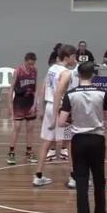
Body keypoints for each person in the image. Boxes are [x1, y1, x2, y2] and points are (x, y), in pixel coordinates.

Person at [58, 61, 107, 213]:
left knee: (81, 183)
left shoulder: (70, 95)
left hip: (79, 141)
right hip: (97, 139)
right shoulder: (102, 93)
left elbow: (61, 122)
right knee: (99, 180)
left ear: (78, 75)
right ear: (93, 75)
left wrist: (73, 119)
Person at [33, 44, 77, 186]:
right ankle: (73, 178)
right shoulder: (66, 73)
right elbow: (58, 92)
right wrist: (55, 115)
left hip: (50, 106)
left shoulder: (52, 68)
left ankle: (38, 176)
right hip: (60, 108)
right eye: (73, 56)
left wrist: (41, 108)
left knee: (46, 142)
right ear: (67, 57)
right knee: (70, 143)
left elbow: (43, 87)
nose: (75, 59)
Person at [7, 52, 38, 165]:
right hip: (19, 102)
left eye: (33, 64)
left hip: (30, 102)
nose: (31, 66)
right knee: (17, 127)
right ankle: (11, 152)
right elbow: (11, 89)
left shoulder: (35, 70)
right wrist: (9, 105)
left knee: (30, 127)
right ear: (25, 61)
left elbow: (35, 89)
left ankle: (29, 151)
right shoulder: (18, 71)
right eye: (29, 64)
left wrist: (35, 104)